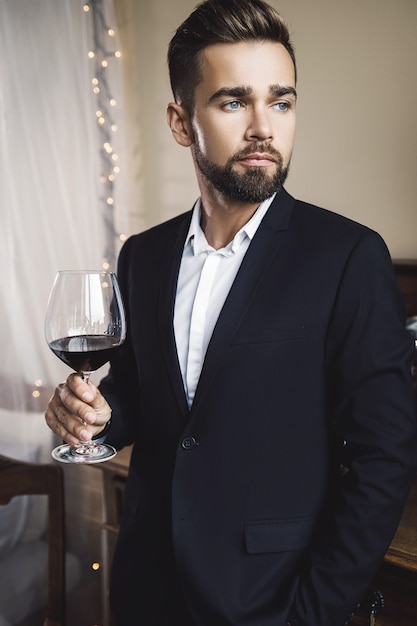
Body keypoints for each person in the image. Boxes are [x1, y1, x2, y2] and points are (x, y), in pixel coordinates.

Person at [45, 1, 417, 624]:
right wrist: (96, 422)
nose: (263, 127)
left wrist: (311, 611)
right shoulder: (142, 256)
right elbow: (139, 398)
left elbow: (386, 456)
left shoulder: (349, 256)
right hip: (147, 589)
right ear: (180, 121)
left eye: (281, 101)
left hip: (271, 598)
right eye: (232, 101)